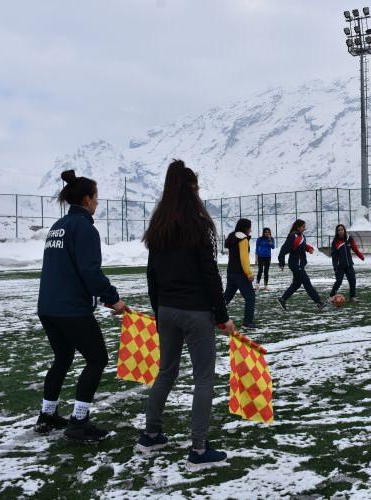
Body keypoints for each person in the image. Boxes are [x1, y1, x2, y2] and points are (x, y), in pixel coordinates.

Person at [139, 159, 235, 470]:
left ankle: (150, 434)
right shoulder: (199, 224)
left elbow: (151, 275)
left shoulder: (159, 226)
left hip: (167, 310)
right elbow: (210, 275)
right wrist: (222, 316)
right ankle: (198, 449)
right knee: (204, 377)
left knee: (166, 372)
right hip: (195, 312)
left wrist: (159, 311)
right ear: (191, 189)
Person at [35, 169, 127, 442]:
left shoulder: (58, 226)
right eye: (96, 198)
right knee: (97, 359)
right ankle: (79, 421)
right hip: (70, 308)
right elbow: (90, 271)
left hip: (48, 306)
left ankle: (47, 414)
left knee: (62, 358)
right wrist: (113, 298)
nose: (97, 203)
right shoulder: (85, 228)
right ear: (87, 199)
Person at [277, 219, 326, 311]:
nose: (304, 228)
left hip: (299, 264)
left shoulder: (301, 236)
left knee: (296, 284)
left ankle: (282, 299)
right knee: (307, 283)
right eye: (303, 226)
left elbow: (302, 245)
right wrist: (281, 262)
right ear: (298, 227)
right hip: (295, 264)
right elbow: (284, 249)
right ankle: (319, 302)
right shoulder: (293, 236)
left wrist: (309, 248)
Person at [224, 218, 256, 329]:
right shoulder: (243, 239)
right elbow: (244, 258)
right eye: (249, 227)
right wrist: (249, 273)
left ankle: (212, 316)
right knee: (250, 297)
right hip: (240, 273)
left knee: (227, 296)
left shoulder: (232, 236)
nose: (250, 230)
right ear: (245, 227)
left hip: (231, 272)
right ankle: (248, 322)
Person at [329, 224, 365, 302]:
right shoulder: (335, 242)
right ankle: (331, 296)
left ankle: (352, 297)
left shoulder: (349, 238)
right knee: (338, 282)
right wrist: (335, 267)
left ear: (344, 230)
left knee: (353, 280)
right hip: (340, 266)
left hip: (349, 265)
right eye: (339, 230)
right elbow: (334, 256)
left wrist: (361, 256)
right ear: (337, 232)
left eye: (342, 229)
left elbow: (355, 248)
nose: (340, 231)